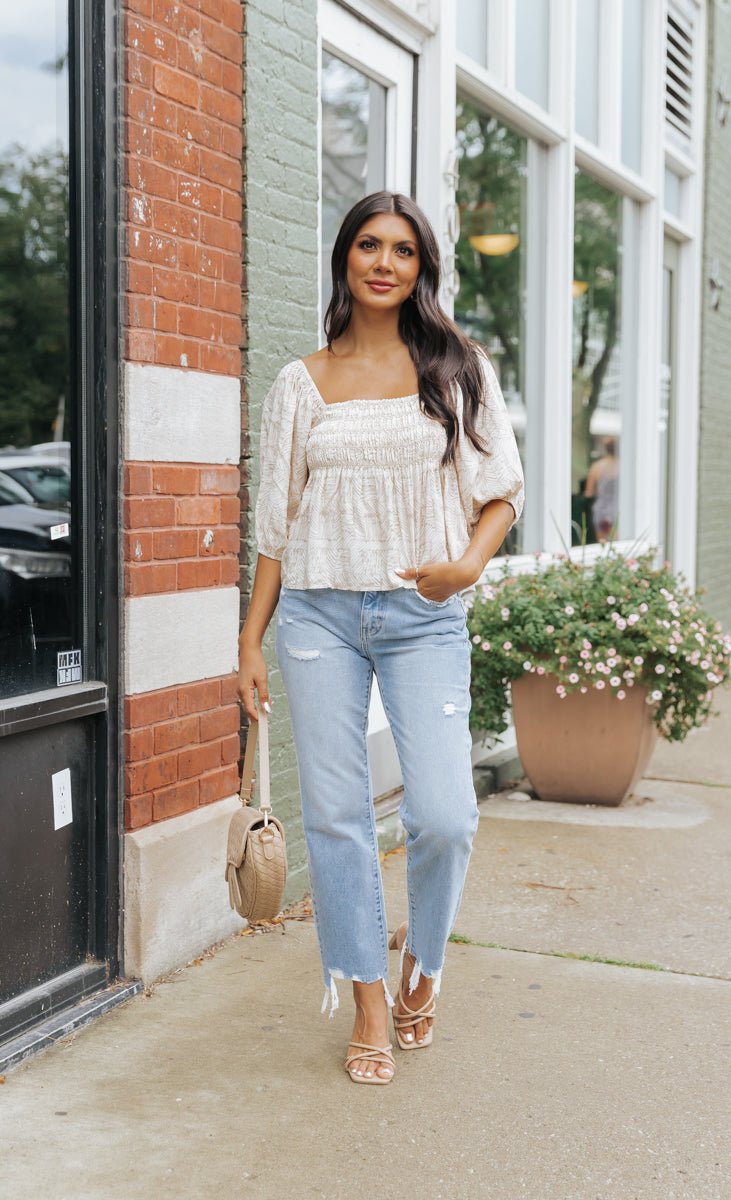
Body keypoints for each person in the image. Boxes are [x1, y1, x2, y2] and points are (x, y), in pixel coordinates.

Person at [237, 191, 525, 1086]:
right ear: (346, 259)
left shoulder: (457, 367)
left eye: (403, 250)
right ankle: (365, 995)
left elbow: (503, 491)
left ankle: (424, 961)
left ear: (420, 268)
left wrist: (468, 566)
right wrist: (249, 643)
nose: (385, 263)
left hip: (423, 616)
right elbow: (277, 529)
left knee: (444, 814)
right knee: (336, 818)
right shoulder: (301, 382)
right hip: (319, 615)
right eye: (369, 245)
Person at [584, 437, 619, 542]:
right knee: (618, 544)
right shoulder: (623, 465)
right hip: (617, 508)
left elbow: (589, 492)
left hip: (601, 510)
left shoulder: (597, 466)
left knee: (602, 544)